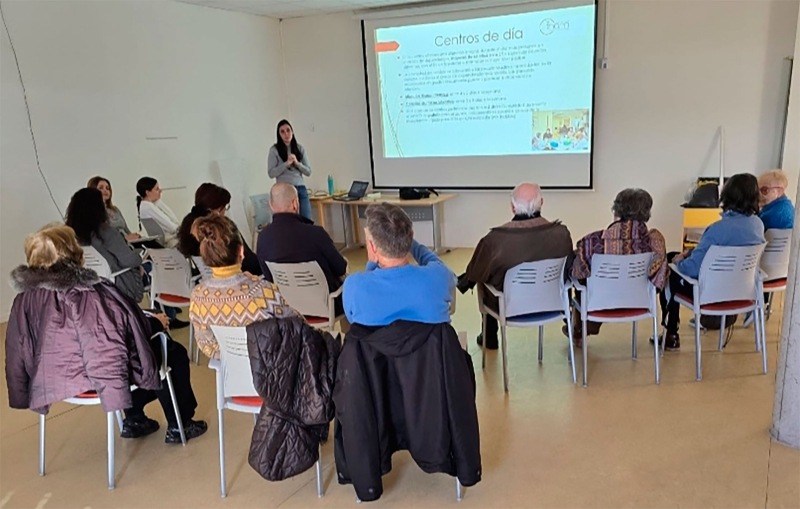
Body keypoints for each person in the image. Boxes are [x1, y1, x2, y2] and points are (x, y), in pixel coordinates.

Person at [6, 224, 206, 443]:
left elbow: (18, 348)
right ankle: (180, 425)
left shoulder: (24, 300)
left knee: (129, 352)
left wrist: (24, 388)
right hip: (99, 378)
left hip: (54, 378)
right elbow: (128, 328)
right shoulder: (91, 292)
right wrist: (155, 322)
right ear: (74, 253)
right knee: (168, 351)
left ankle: (135, 420)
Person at [660, 173, 765, 350]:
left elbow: (692, 270)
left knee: (669, 268)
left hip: (709, 292)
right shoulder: (757, 224)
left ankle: (671, 334)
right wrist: (693, 252)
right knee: (674, 255)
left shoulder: (717, 229)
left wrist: (678, 262)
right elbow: (731, 248)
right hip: (744, 290)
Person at [462, 183, 573, 350]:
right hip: (552, 303)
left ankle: (489, 336)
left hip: (509, 307)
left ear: (512, 207)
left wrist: (465, 281)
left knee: (485, 277)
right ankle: (572, 326)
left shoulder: (494, 240)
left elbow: (476, 272)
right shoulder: (562, 234)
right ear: (541, 202)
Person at [66, 188, 190, 328]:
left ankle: (167, 311)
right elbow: (129, 260)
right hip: (120, 282)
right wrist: (141, 257)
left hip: (94, 286)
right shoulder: (106, 232)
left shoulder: (71, 236)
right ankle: (169, 313)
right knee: (155, 264)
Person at [567, 189, 668, 346]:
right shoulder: (655, 242)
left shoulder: (592, 242)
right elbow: (659, 277)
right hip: (638, 303)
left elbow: (578, 273)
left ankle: (580, 331)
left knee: (583, 283)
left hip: (600, 303)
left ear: (617, 211)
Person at [189, 215, 297, 360]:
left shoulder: (198, 296)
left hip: (231, 372)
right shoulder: (262, 292)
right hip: (273, 370)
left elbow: (205, 342)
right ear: (241, 251)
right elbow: (297, 328)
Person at [343, 202, 455, 326]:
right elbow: (441, 268)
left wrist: (372, 262)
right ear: (411, 236)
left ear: (373, 247)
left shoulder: (354, 286)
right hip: (431, 345)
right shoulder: (439, 277)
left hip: (379, 346)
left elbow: (356, 325)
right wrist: (408, 241)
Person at [258, 183, 347, 301]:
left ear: (271, 205)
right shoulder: (316, 233)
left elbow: (269, 277)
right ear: (295, 204)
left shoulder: (263, 237)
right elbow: (340, 268)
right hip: (327, 305)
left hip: (288, 306)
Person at [177, 182, 262, 276]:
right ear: (217, 210)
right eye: (225, 207)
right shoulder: (223, 228)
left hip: (208, 280)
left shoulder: (187, 226)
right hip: (236, 278)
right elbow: (248, 261)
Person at [267, 120, 312, 220]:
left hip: (300, 188)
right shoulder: (274, 150)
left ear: (292, 131)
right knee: (287, 221)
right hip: (284, 191)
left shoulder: (299, 148)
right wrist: (286, 164)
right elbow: (271, 173)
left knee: (307, 220)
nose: (286, 134)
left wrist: (297, 163)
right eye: (282, 132)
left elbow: (308, 171)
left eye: (288, 130)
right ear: (279, 135)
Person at [87, 176, 140, 241]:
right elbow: (102, 238)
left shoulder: (115, 209)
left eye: (107, 188)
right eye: (101, 188)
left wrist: (136, 237)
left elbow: (126, 230)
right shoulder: (92, 212)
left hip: (128, 243)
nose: (105, 190)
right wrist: (124, 239)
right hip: (115, 245)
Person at [136, 176, 180, 248]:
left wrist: (158, 202)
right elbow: (172, 228)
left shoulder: (147, 205)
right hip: (170, 242)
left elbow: (175, 222)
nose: (160, 191)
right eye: (157, 189)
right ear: (148, 192)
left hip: (170, 239)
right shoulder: (148, 207)